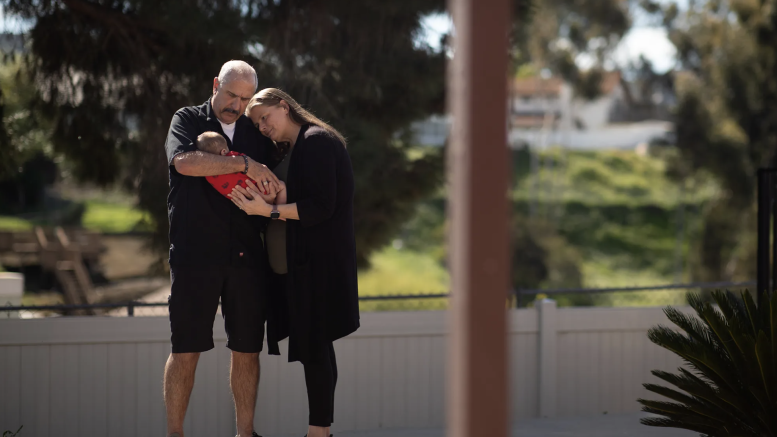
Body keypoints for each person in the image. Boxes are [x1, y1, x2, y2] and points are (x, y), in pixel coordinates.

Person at [229, 88, 360, 437]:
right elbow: (298, 197)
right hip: (294, 267)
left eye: (264, 118)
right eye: (256, 124)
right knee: (315, 348)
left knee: (315, 349)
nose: (261, 127)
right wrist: (275, 197)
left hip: (315, 267)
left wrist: (266, 209)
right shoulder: (292, 149)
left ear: (284, 106)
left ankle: (318, 432)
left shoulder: (317, 141)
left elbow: (321, 206)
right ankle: (320, 430)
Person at [162, 60, 280, 437]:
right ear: (216, 84)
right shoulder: (187, 119)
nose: (237, 105)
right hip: (194, 254)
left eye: (245, 98)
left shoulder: (256, 132)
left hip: (246, 255)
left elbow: (276, 180)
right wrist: (245, 164)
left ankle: (246, 433)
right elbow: (183, 163)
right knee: (185, 350)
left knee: (247, 349)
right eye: (231, 94)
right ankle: (175, 433)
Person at [195, 131, 266, 198]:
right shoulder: (232, 156)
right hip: (261, 189)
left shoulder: (206, 173)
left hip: (241, 199)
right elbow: (248, 161)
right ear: (224, 151)